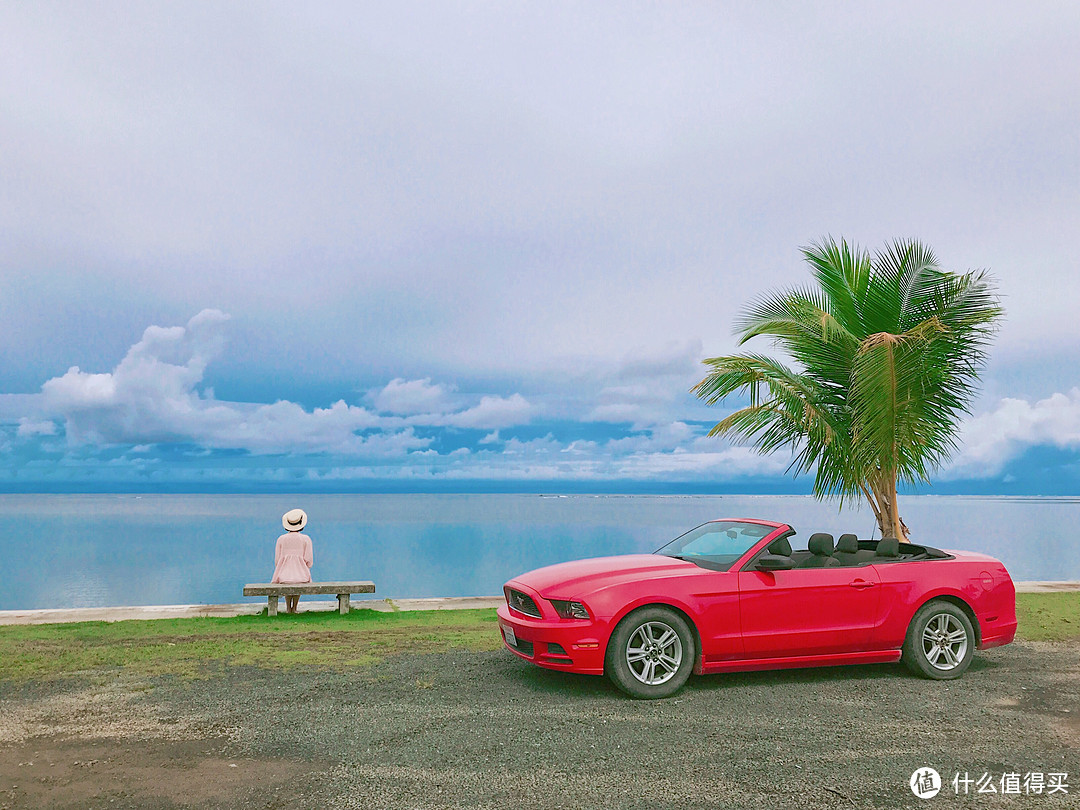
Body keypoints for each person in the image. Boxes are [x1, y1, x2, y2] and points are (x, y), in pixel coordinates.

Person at [272, 508, 313, 613]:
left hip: (283, 575)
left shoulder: (281, 539)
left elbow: (277, 560)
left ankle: (288, 608)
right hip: (301, 575)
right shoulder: (306, 539)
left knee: (287, 581)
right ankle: (294, 607)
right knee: (298, 580)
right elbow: (308, 560)